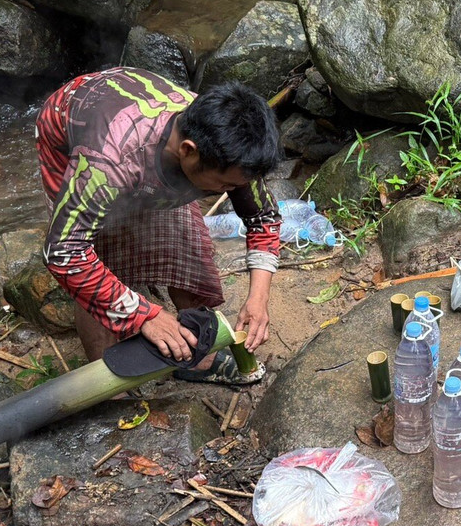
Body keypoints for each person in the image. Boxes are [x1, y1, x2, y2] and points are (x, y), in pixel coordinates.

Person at [36, 67, 282, 385]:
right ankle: (110, 382)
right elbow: (65, 252)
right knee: (98, 260)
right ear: (188, 152)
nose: (233, 192)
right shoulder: (107, 161)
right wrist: (143, 316)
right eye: (225, 185)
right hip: (73, 131)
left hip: (138, 144)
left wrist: (258, 298)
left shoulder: (228, 145)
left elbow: (263, 217)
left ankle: (196, 359)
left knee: (188, 249)